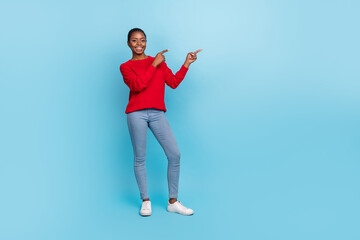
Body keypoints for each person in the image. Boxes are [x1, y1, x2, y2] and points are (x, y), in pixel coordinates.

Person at [119, 27, 202, 216]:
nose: (139, 44)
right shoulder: (126, 66)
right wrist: (153, 64)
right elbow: (138, 86)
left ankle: (173, 202)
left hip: (157, 113)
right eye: (134, 40)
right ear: (128, 44)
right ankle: (145, 200)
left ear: (146, 42)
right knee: (140, 158)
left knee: (175, 155)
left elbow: (173, 82)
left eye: (142, 40)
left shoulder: (159, 62)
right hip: (136, 114)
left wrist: (186, 63)